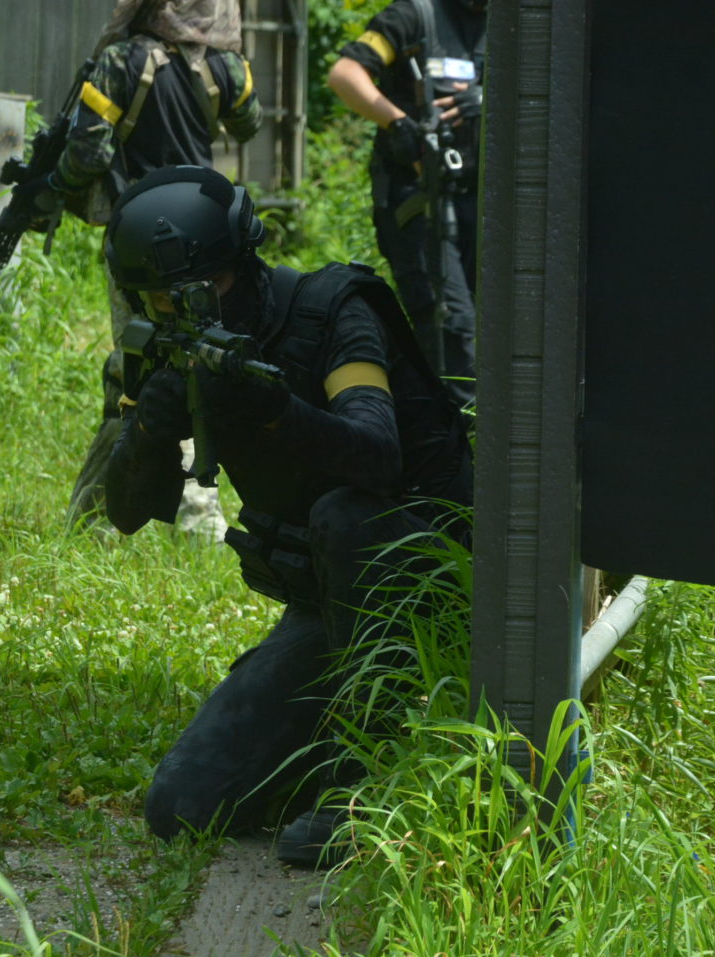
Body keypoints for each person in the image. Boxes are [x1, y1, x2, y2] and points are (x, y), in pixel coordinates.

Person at [100, 165, 473, 866]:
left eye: (205, 290)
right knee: (182, 805)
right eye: (163, 299)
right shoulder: (167, 347)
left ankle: (364, 783)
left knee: (345, 514)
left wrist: (274, 412)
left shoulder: (333, 312)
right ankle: (329, 745)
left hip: (435, 588)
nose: (187, 312)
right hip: (332, 609)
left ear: (243, 264)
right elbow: (123, 513)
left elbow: (378, 456)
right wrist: (148, 429)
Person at [6, 0, 264, 537]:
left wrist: (49, 189)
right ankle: (191, 518)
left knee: (138, 368)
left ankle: (112, 515)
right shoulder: (225, 65)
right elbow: (249, 124)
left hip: (140, 240)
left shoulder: (121, 60)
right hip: (205, 235)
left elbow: (88, 154)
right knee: (199, 358)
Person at [327, 0, 487, 405]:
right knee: (449, 322)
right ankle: (462, 431)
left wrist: (487, 101)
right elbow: (346, 73)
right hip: (419, 202)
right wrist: (399, 124)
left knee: (487, 321)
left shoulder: (511, 23)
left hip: (481, 201)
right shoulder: (414, 16)